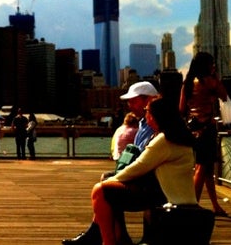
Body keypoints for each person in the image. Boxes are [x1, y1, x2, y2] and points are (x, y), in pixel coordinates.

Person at [89, 97, 197, 245]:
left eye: (147, 111)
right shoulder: (177, 136)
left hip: (166, 197)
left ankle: (109, 241)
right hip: (171, 194)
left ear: (155, 115)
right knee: (108, 184)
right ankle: (117, 237)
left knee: (99, 190)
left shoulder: (164, 140)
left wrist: (111, 181)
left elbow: (139, 166)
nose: (145, 116)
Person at [63, 81, 160, 245]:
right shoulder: (143, 123)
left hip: (150, 183)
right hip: (144, 177)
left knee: (104, 188)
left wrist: (119, 176)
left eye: (133, 101)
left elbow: (146, 160)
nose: (130, 105)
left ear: (148, 100)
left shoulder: (155, 125)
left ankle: (106, 237)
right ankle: (114, 234)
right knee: (106, 178)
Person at [179, 51, 229, 217]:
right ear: (206, 65)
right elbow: (224, 95)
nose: (213, 65)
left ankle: (216, 206)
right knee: (202, 167)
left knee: (207, 170)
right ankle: (193, 206)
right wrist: (215, 76)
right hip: (207, 127)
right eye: (211, 63)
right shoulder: (209, 81)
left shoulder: (187, 83)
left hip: (193, 129)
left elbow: (181, 109)